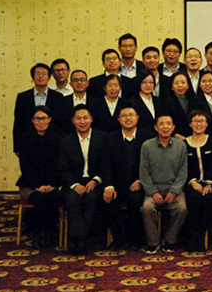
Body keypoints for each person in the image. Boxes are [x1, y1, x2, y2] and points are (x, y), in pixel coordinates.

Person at [58, 104, 110, 254]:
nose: (82, 122)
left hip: (95, 181)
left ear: (91, 119)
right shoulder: (66, 141)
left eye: (85, 118)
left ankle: (78, 239)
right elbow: (63, 168)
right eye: (78, 118)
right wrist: (75, 185)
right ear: (73, 121)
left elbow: (106, 164)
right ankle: (79, 238)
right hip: (73, 182)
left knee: (91, 198)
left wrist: (96, 180)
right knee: (72, 199)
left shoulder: (103, 138)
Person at [103, 105, 154, 250]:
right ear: (119, 119)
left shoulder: (147, 137)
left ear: (137, 118)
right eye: (124, 116)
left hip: (139, 182)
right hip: (117, 183)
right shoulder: (110, 138)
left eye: (131, 115)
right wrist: (109, 186)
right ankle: (118, 239)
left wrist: (140, 180)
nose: (128, 118)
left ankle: (134, 239)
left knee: (136, 200)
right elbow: (105, 164)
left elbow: (152, 164)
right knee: (108, 200)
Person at [139, 115, 189, 254]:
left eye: (168, 124)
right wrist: (153, 192)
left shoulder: (181, 145)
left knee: (182, 209)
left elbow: (183, 171)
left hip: (174, 190)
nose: (165, 127)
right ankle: (153, 242)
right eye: (161, 124)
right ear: (156, 127)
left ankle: (169, 240)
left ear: (173, 127)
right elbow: (144, 172)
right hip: (153, 190)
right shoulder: (147, 146)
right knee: (147, 208)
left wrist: (174, 191)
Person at [16, 106, 61, 250]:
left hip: (52, 184)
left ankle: (50, 234)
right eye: (37, 119)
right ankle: (38, 234)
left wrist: (52, 184)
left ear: (49, 119)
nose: (41, 122)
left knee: (52, 198)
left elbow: (59, 165)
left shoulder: (58, 139)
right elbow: (25, 167)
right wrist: (37, 186)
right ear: (32, 121)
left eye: (44, 118)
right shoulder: (24, 139)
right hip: (30, 184)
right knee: (40, 199)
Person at [182, 110, 212, 252]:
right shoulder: (184, 143)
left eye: (202, 121)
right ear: (190, 124)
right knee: (194, 199)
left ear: (207, 124)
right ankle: (192, 236)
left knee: (208, 200)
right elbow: (183, 166)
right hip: (191, 183)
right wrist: (192, 182)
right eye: (195, 121)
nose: (199, 124)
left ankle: (201, 235)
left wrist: (209, 183)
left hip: (211, 183)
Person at [13, 63, 63, 155]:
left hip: (52, 143)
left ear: (49, 78)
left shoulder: (58, 97)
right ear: (32, 77)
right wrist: (17, 147)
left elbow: (60, 122)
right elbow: (18, 122)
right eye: (37, 74)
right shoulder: (23, 97)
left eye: (44, 74)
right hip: (28, 142)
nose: (41, 76)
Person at [57, 69, 106, 135]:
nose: (79, 82)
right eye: (75, 80)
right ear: (70, 84)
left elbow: (100, 124)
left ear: (87, 83)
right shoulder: (62, 102)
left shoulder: (98, 102)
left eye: (82, 80)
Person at [165, 72, 195, 140]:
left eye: (183, 82)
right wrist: (177, 136)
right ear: (172, 87)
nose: (180, 85)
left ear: (188, 85)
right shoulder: (166, 102)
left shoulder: (194, 101)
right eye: (176, 83)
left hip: (193, 138)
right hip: (174, 139)